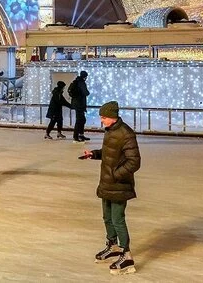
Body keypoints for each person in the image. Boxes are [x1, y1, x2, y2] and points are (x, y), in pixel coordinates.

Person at [82, 101, 141, 275]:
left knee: (117, 219)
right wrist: (94, 154)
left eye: (104, 117)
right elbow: (110, 152)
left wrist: (115, 175)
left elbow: (134, 162)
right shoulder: (111, 131)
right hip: (107, 183)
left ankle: (126, 255)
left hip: (119, 185)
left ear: (113, 117)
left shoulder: (126, 134)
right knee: (107, 217)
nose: (102, 121)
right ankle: (113, 245)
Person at [69, 71, 90, 143]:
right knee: (79, 120)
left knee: (82, 119)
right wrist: (87, 92)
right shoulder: (81, 82)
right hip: (79, 104)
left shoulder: (76, 81)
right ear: (85, 76)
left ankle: (80, 134)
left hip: (77, 104)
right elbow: (86, 92)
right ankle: (76, 136)